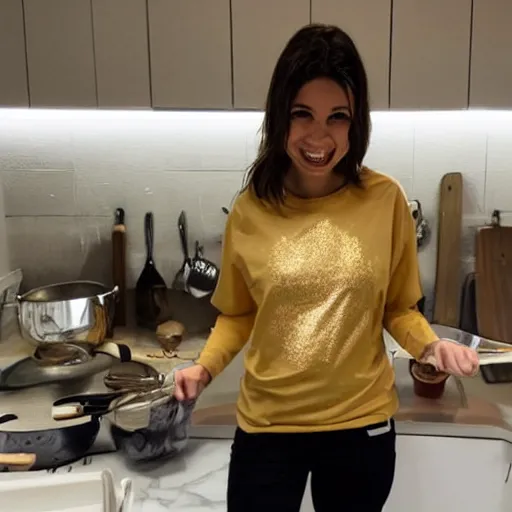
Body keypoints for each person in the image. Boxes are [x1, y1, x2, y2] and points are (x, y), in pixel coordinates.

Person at [173, 24, 480, 512]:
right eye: (303, 114)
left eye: (337, 117)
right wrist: (203, 368)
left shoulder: (385, 200)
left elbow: (398, 307)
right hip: (268, 429)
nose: (320, 136)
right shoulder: (252, 209)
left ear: (355, 123)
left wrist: (432, 345)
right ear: (280, 116)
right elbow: (237, 314)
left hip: (361, 429)